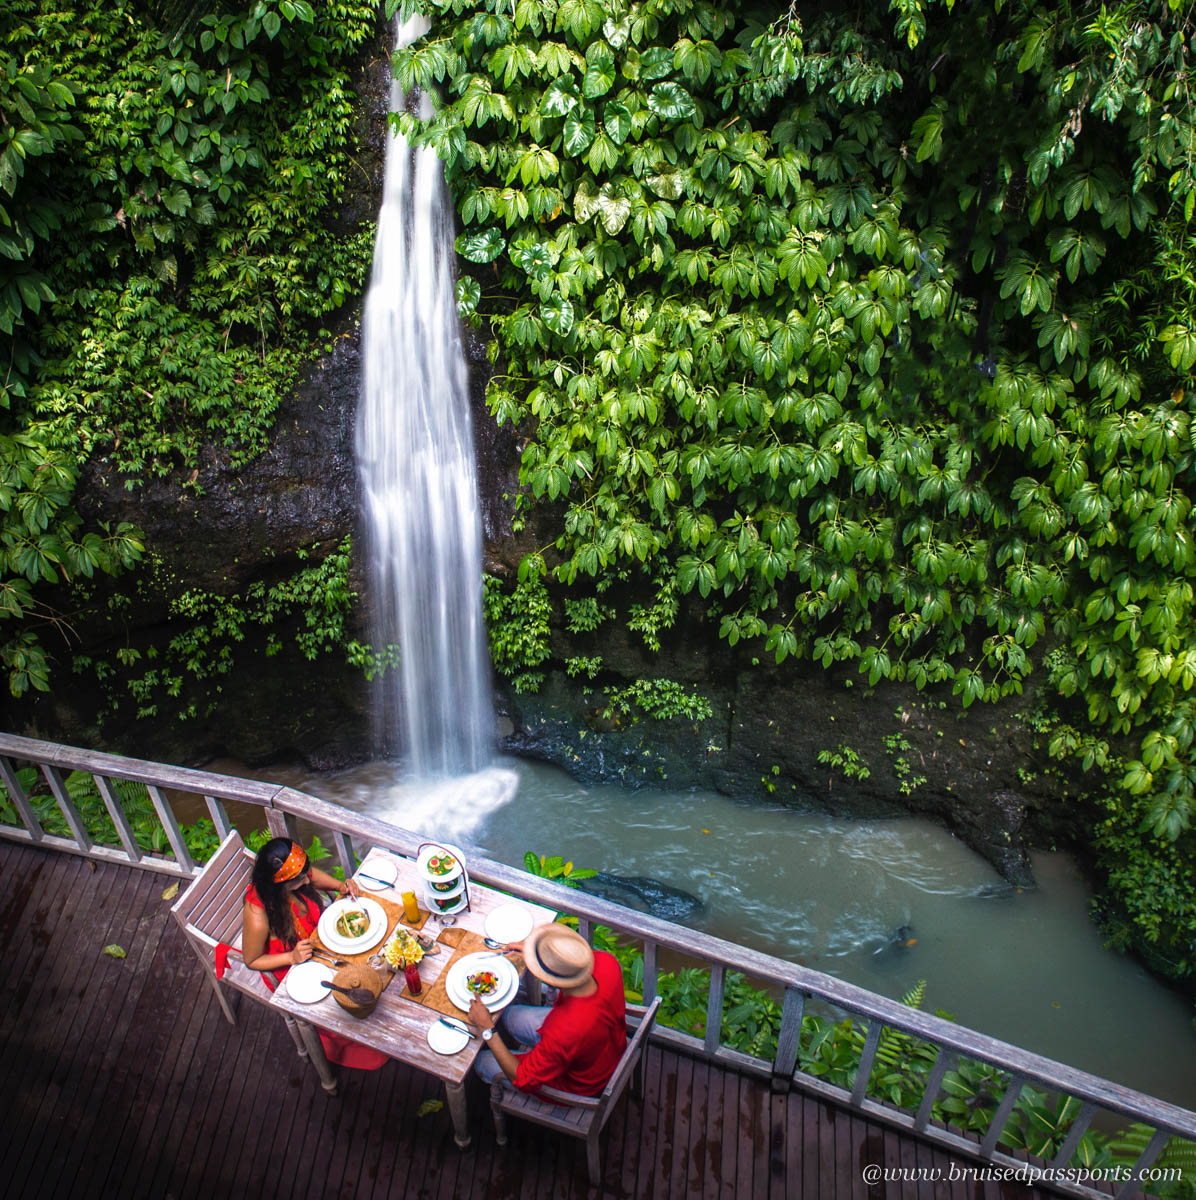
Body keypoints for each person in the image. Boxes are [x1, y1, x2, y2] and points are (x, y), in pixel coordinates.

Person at [240, 837, 387, 1070]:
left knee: (372, 959)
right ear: (279, 885)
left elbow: (311, 875)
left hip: (316, 943)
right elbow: (252, 960)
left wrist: (341, 886)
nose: (308, 879)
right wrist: (292, 957)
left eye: (306, 871)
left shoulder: (298, 876)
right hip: (292, 967)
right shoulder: (258, 914)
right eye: (299, 880)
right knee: (348, 993)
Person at [470, 923, 626, 1096]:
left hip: (581, 1083)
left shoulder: (564, 1030)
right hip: (609, 1047)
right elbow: (566, 964)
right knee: (509, 1016)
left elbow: (523, 1080)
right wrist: (535, 954)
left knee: (481, 1062)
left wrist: (487, 1030)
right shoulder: (606, 962)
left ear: (551, 980)